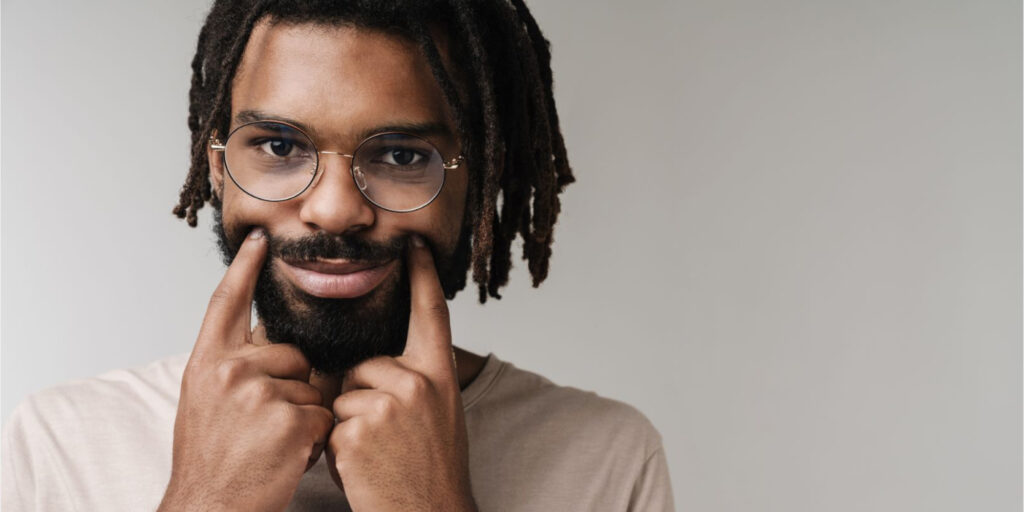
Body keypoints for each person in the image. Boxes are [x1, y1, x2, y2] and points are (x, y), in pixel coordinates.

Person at [2, 1, 675, 510]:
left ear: (480, 181)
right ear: (214, 166)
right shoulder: (63, 439)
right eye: (278, 146)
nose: (333, 209)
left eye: (402, 156)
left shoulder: (603, 455)